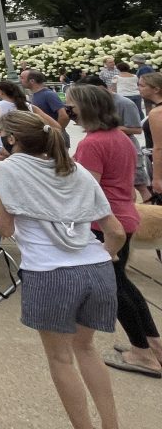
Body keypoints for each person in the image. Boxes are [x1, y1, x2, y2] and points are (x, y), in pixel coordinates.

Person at [0, 110, 126, 429]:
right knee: (86, 348)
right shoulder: (75, 169)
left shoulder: (4, 171)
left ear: (12, 139)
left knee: (61, 358)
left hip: (49, 273)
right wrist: (109, 255)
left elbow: (6, 227)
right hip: (95, 268)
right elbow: (115, 231)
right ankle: (111, 424)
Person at [66, 84, 162, 376]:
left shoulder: (92, 143)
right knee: (124, 286)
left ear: (85, 108)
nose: (67, 111)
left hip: (104, 224)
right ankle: (153, 345)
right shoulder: (118, 137)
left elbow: (87, 190)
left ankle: (142, 354)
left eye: (71, 106)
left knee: (115, 290)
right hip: (125, 215)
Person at [138, 71, 162, 194]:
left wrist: (157, 178)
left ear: (156, 89)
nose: (138, 88)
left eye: (142, 86)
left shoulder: (157, 112)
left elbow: (159, 147)